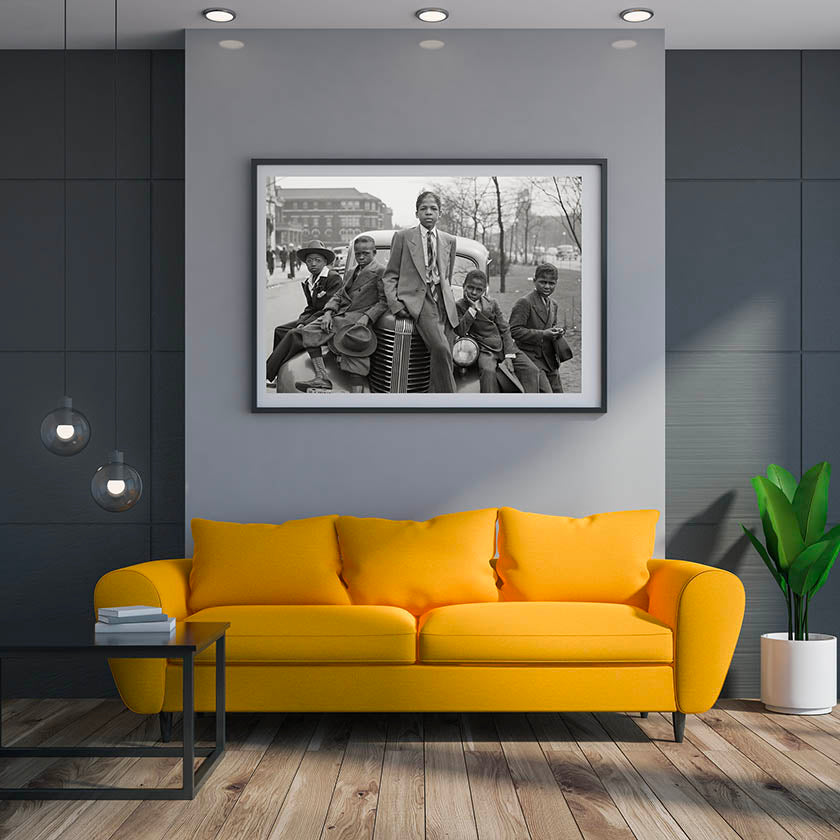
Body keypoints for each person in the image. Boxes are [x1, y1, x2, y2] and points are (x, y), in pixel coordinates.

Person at [286, 235, 388, 392]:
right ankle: (321, 377)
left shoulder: (380, 271)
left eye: (365, 253)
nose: (361, 257)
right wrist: (328, 312)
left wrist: (367, 317)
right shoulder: (352, 271)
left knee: (353, 358)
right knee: (307, 331)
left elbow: (383, 301)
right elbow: (339, 294)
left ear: (374, 253)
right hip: (340, 315)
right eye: (358, 253)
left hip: (357, 319)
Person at [382, 191, 458, 393]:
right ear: (416, 213)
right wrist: (396, 305)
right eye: (423, 208)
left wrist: (447, 297)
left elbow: (446, 276)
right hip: (420, 300)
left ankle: (431, 402)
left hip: (444, 303)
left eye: (433, 209)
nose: (428, 212)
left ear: (440, 214)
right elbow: (389, 275)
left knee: (445, 355)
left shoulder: (449, 240)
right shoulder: (403, 237)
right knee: (441, 348)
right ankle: (451, 404)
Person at [266, 240, 342, 385]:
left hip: (328, 320)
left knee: (293, 334)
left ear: (325, 262)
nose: (313, 264)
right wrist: (302, 321)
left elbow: (331, 307)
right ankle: (277, 373)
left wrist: (304, 324)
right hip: (314, 317)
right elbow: (310, 308)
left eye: (317, 260)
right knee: (280, 330)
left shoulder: (333, 278)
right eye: (309, 261)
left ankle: (267, 371)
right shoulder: (309, 281)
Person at [455, 269, 540, 394]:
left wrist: (509, 355)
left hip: (503, 346)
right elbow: (460, 331)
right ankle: (490, 406)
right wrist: (472, 310)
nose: (473, 292)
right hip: (484, 349)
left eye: (479, 290)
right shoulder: (459, 306)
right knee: (488, 371)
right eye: (470, 288)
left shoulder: (492, 303)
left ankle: (529, 406)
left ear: (484, 290)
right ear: (464, 287)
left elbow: (504, 329)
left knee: (531, 370)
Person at [509, 262, 573, 393]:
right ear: (534, 281)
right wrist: (543, 334)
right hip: (530, 358)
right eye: (543, 282)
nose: (547, 287)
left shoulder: (553, 304)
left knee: (558, 394)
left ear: (556, 283)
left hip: (549, 359)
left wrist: (557, 331)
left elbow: (551, 325)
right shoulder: (525, 302)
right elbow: (514, 331)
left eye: (551, 283)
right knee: (546, 395)